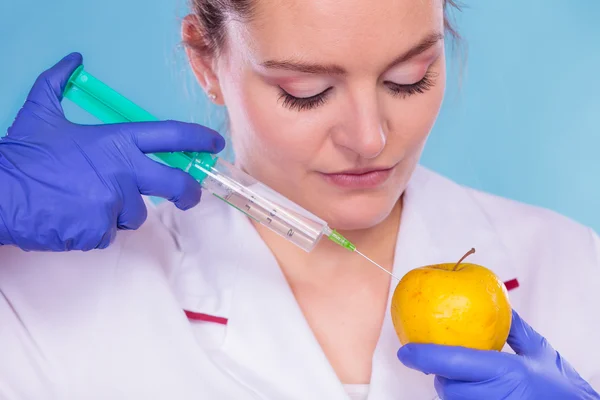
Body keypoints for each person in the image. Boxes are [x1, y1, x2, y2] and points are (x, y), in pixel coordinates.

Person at [0, 0, 599, 398]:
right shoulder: (51, 295)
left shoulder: (573, 267)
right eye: (306, 92)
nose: (369, 138)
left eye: (408, 77)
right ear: (207, 61)